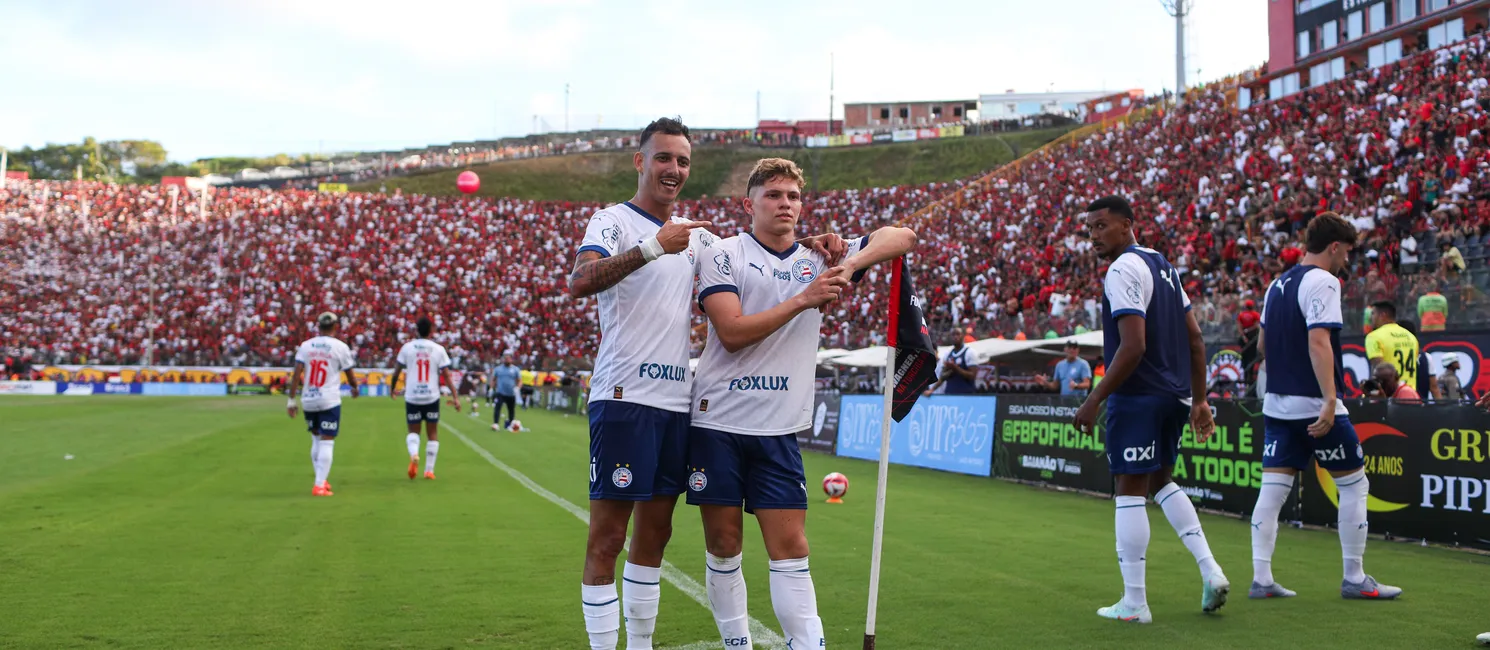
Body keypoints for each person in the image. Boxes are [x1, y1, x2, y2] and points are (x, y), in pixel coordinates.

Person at [688, 157, 917, 649]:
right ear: (749, 204)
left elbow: (901, 236)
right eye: (773, 195)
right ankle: (737, 644)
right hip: (717, 423)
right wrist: (805, 298)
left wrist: (848, 263)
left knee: (791, 549)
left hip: (778, 429)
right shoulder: (723, 254)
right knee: (724, 546)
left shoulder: (819, 258)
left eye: (792, 196)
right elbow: (730, 333)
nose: (785, 204)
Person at [566, 117, 713, 650]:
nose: (674, 169)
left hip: (676, 405)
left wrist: (806, 240)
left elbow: (756, 255)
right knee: (608, 538)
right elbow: (581, 280)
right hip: (624, 399)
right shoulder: (612, 222)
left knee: (656, 536)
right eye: (664, 158)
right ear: (640, 161)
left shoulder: (695, 236)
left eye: (683, 161)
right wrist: (654, 247)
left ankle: (641, 644)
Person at [1071, 195, 1229, 624]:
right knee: (1162, 481)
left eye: (1101, 226)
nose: (1094, 236)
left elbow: (1134, 345)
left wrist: (1093, 398)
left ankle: (1135, 602)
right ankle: (1211, 570)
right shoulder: (1163, 265)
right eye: (1089, 229)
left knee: (1129, 490)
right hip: (1174, 396)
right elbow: (1195, 339)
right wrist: (1198, 399)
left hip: (1138, 396)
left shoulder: (1122, 269)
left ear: (1126, 225)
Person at [1251, 212, 1402, 602]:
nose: (1346, 261)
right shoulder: (1324, 281)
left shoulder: (1276, 284)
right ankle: (1354, 577)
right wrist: (1331, 398)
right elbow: (1319, 342)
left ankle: (1262, 580)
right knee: (1354, 484)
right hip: (1316, 404)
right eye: (1346, 252)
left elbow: (1262, 347)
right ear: (1334, 246)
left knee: (1272, 491)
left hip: (1278, 405)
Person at [286, 312, 359, 497]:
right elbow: (349, 373)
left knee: (316, 438)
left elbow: (296, 374)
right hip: (329, 399)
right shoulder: (340, 347)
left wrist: (291, 399)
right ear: (335, 326)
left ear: (319, 327)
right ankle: (319, 485)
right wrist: (355, 388)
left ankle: (321, 480)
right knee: (328, 440)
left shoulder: (306, 346)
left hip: (309, 398)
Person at [388, 316, 460, 480]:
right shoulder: (438, 349)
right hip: (431, 396)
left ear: (416, 330)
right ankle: (429, 470)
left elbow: (397, 371)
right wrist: (455, 397)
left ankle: (414, 454)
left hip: (413, 395)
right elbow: (447, 376)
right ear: (431, 331)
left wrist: (392, 388)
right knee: (432, 432)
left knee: (413, 431)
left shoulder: (407, 348)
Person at [1365, 301, 1420, 391]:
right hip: (1411, 394)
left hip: (1390, 395)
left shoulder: (1374, 337)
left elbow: (1380, 369)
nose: (1370, 318)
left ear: (1382, 315)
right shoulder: (1411, 337)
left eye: (1373, 313)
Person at [491, 354, 521, 431]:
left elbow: (519, 380)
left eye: (508, 359)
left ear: (511, 360)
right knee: (497, 407)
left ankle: (511, 424)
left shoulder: (515, 369)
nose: (506, 360)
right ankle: (496, 423)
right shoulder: (498, 369)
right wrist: (491, 388)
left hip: (511, 393)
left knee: (511, 410)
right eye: (505, 359)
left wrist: (517, 387)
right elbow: (493, 379)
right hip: (500, 392)